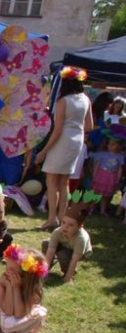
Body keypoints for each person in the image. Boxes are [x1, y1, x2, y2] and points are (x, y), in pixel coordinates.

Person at [35, 67, 93, 230]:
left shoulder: (63, 101)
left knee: (52, 180)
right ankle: (61, 218)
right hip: (77, 141)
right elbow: (89, 126)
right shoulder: (85, 99)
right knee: (64, 182)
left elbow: (58, 129)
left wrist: (44, 151)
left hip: (63, 140)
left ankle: (52, 218)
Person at [42, 195, 97, 283]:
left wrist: (67, 278)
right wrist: (43, 272)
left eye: (70, 225)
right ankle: (47, 267)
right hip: (65, 245)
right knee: (46, 243)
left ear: (79, 227)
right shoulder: (57, 231)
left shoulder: (81, 238)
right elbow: (50, 251)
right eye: (63, 222)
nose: (65, 227)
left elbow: (75, 259)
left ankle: (68, 272)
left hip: (79, 251)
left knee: (63, 254)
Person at [89, 127, 124, 214]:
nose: (110, 146)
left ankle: (102, 210)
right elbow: (96, 165)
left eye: (113, 144)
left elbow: (120, 168)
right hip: (101, 175)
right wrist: (94, 175)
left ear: (118, 146)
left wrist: (118, 178)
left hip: (111, 176)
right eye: (109, 144)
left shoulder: (120, 157)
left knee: (105, 195)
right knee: (96, 193)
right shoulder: (102, 154)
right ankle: (91, 208)